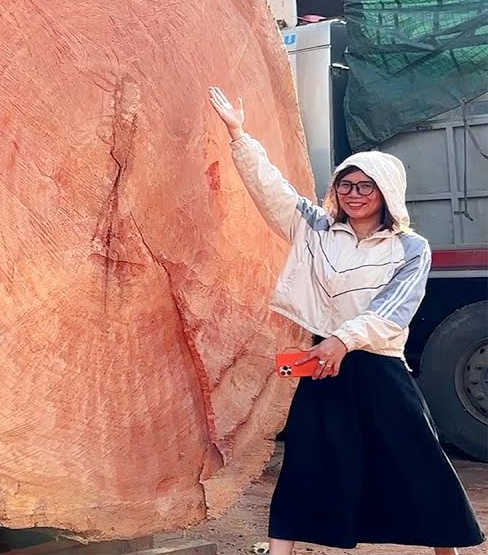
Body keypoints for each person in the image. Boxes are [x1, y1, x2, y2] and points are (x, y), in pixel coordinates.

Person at [207, 86, 483, 555]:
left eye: (365, 186)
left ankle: (448, 551)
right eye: (345, 185)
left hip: (378, 364)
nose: (354, 195)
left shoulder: (410, 248)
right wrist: (239, 134)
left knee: (419, 462)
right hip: (323, 365)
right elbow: (271, 190)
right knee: (306, 461)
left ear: (386, 191)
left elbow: (392, 310)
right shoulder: (315, 229)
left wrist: (342, 341)